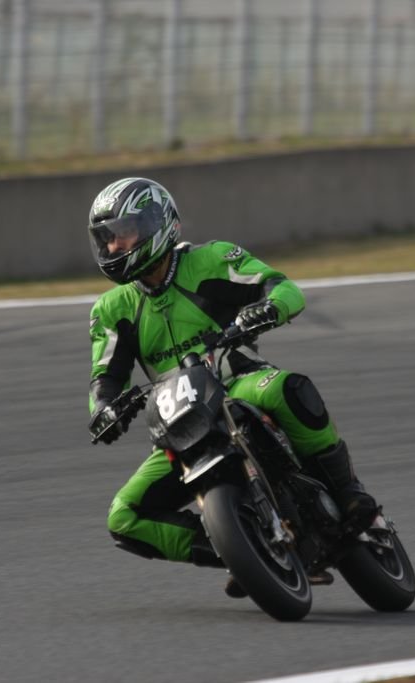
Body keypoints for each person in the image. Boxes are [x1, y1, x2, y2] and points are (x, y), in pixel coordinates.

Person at [86, 177, 379, 597]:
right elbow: (106, 377)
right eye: (106, 239)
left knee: (284, 388)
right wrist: (104, 410)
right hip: (179, 417)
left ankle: (348, 492)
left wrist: (268, 308)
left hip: (237, 382)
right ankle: (242, 549)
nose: (114, 246)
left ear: (156, 224)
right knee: (123, 516)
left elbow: (282, 287)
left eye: (123, 233)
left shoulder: (211, 259)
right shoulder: (111, 309)